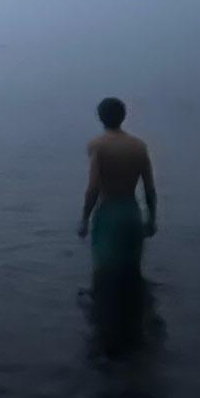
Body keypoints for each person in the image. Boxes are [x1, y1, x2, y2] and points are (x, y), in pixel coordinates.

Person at [77, 97, 157, 284]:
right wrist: (151, 219)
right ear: (123, 116)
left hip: (108, 215)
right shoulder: (139, 146)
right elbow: (149, 189)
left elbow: (93, 188)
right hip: (132, 213)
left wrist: (84, 219)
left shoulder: (98, 146)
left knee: (104, 276)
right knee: (133, 275)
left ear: (101, 117)